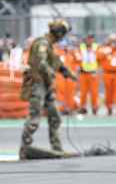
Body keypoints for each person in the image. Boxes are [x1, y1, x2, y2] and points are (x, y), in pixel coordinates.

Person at [19, 18, 76, 157]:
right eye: (62, 35)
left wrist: (66, 72)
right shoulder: (42, 44)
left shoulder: (49, 45)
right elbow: (41, 61)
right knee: (34, 118)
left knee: (55, 117)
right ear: (59, 33)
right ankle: (24, 148)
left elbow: (55, 61)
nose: (62, 38)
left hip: (46, 85)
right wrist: (51, 73)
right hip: (38, 84)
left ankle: (57, 147)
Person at [98, 33, 116, 115]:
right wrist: (105, 51)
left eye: (115, 41)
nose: (113, 43)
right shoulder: (104, 49)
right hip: (107, 73)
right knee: (108, 92)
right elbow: (98, 58)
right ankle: (109, 107)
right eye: (112, 41)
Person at [77, 33, 100, 115]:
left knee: (94, 92)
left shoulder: (96, 47)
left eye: (91, 38)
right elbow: (78, 58)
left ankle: (95, 107)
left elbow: (100, 58)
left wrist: (97, 68)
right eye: (88, 38)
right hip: (83, 73)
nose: (89, 40)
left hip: (93, 73)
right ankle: (82, 107)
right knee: (83, 92)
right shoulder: (81, 47)